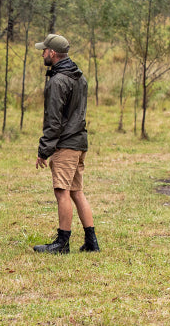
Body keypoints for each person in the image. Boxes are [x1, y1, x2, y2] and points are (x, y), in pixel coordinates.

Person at [33, 34, 100, 254]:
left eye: (44, 50)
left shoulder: (58, 81)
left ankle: (62, 243)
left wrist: (44, 150)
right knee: (76, 191)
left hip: (67, 144)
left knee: (62, 191)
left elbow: (54, 120)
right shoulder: (79, 77)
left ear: (52, 53)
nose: (42, 53)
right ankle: (91, 242)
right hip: (80, 141)